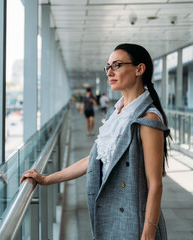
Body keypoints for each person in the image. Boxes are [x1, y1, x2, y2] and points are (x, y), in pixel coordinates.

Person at [21, 43, 170, 240]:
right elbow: (93, 159)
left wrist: (148, 233)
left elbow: (155, 184)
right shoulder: (115, 114)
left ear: (139, 69)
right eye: (108, 66)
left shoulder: (148, 119)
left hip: (136, 223)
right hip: (110, 218)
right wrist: (47, 179)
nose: (110, 72)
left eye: (116, 65)